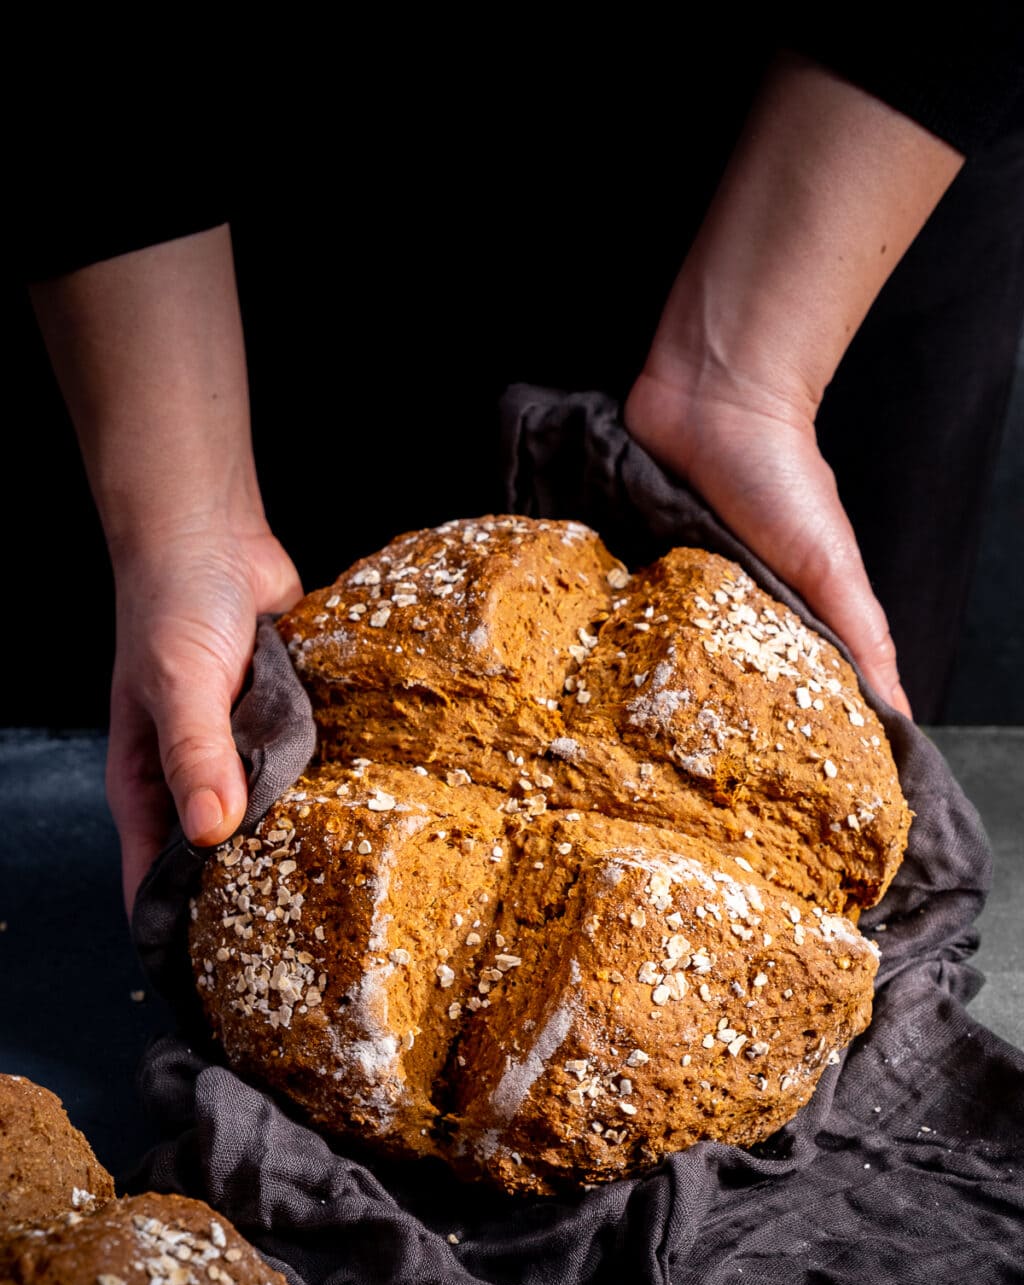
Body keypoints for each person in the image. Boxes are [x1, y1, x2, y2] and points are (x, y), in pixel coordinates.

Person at [23, 32, 1023, 911]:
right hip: (252, 223)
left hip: (850, 163)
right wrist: (185, 520)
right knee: (240, 763)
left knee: (816, 786)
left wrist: (750, 377)